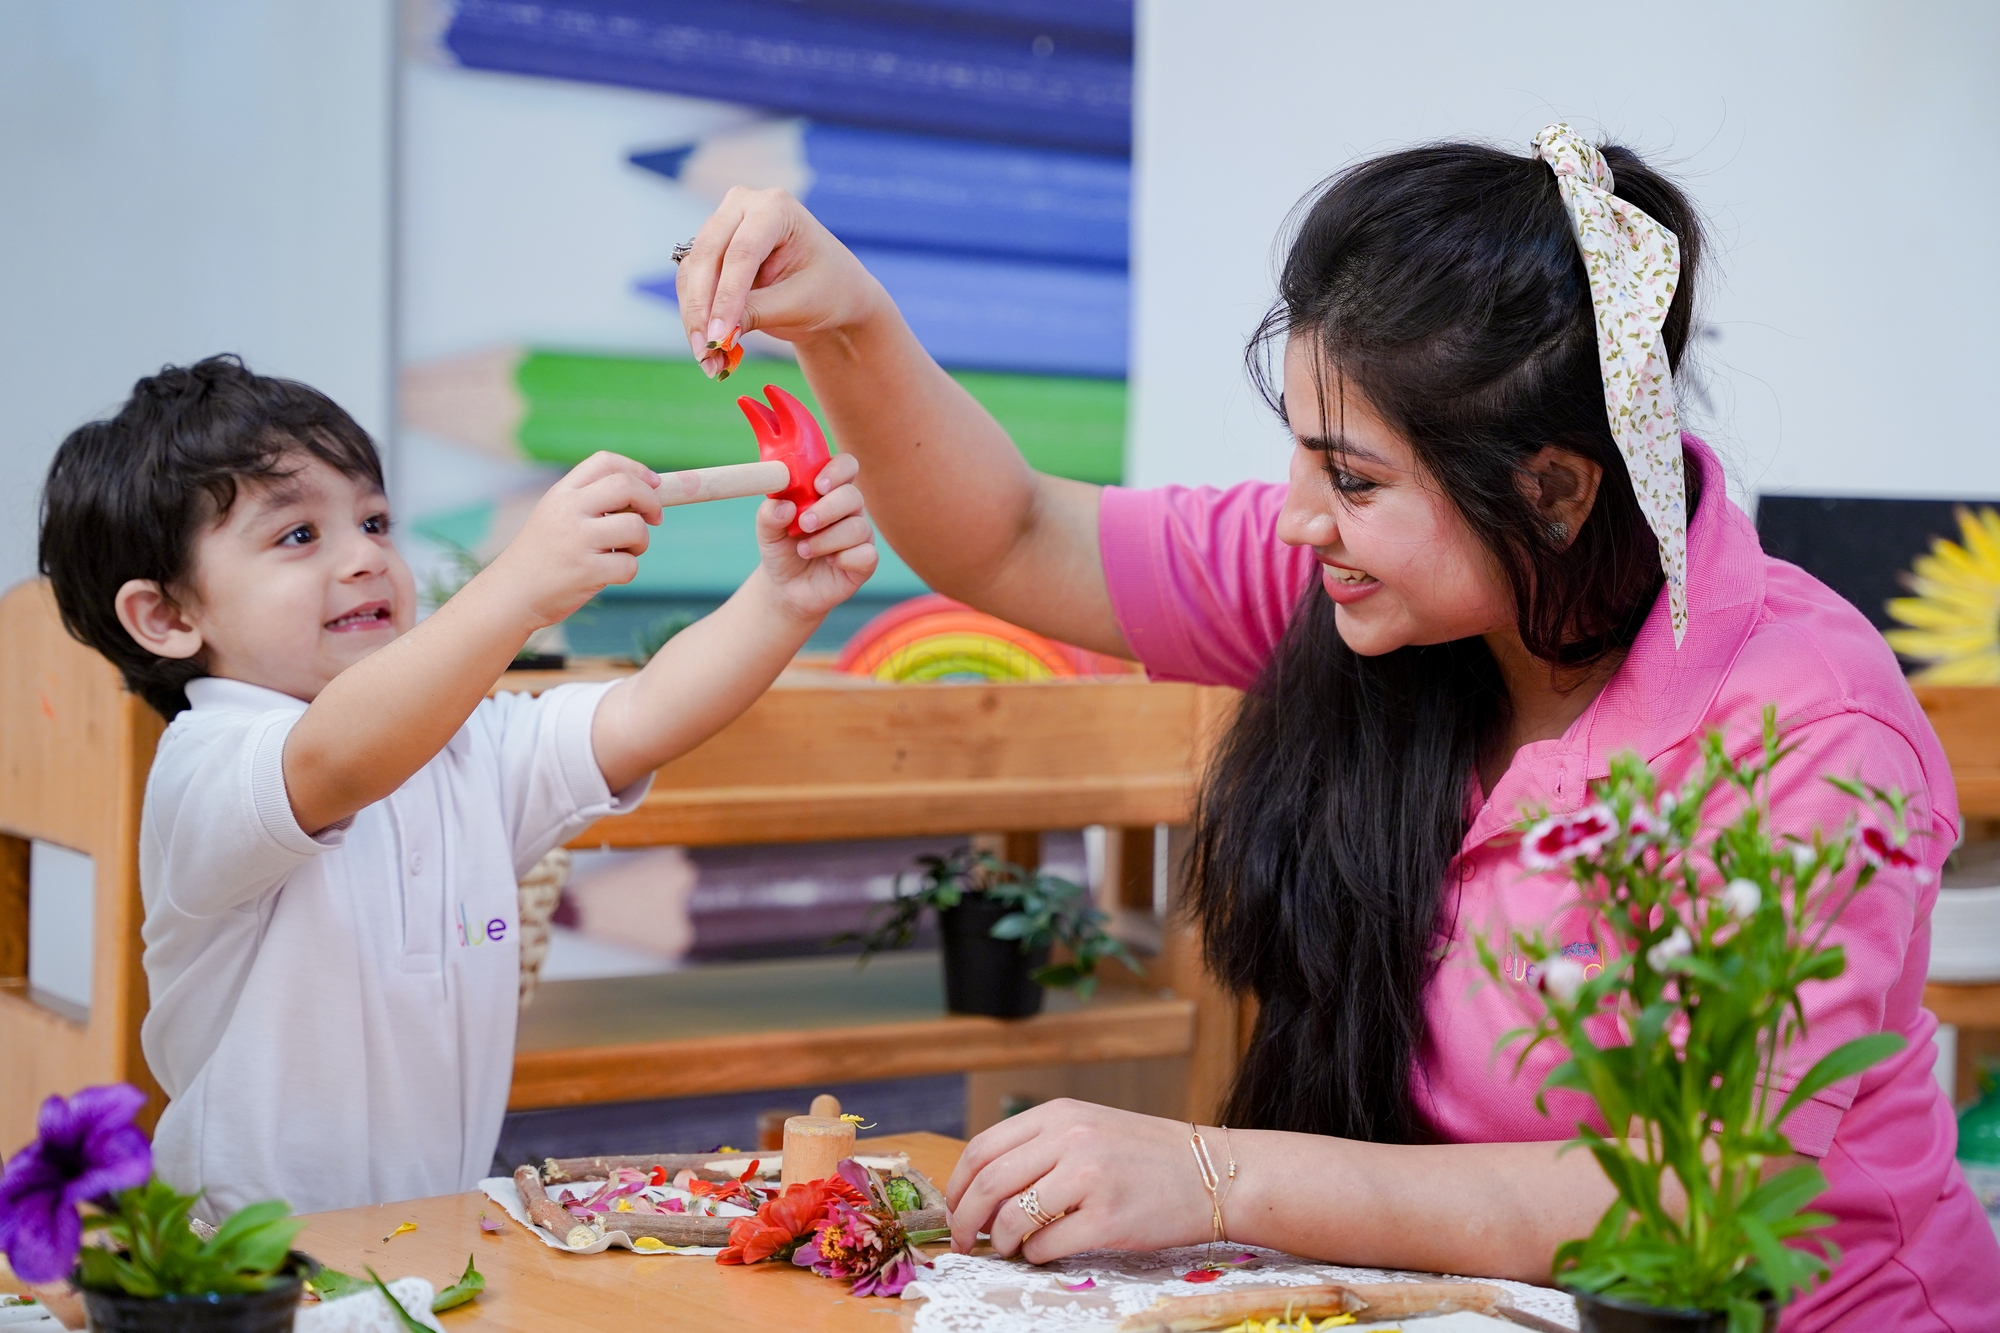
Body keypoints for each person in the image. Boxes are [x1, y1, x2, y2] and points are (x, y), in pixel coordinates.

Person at [669, 127, 1999, 1326]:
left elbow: (1693, 1186)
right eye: (1301, 453)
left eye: (1353, 478)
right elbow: (1013, 531)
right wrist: (849, 323)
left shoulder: (1807, 727)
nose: (1301, 516)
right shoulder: (1374, 589)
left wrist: (1211, 1173)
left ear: (1552, 488)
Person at [36, 355, 877, 1217]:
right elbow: (332, 761)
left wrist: (783, 599)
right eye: (298, 535)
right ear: (169, 617)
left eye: (375, 520)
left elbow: (642, 713)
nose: (365, 558)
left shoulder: (466, 745)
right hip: (246, 1266)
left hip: (439, 1248)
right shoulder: (207, 764)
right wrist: (515, 584)